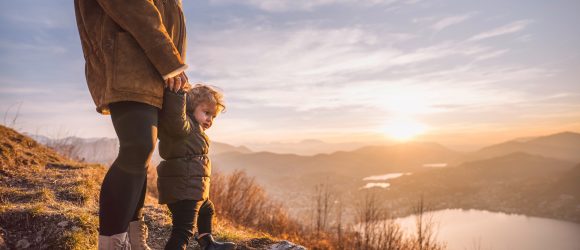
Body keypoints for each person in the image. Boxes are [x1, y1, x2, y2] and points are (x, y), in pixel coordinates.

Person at [74, 0, 190, 248]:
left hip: (152, 67)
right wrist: (170, 61)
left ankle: (134, 240)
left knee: (141, 155)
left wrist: (170, 65)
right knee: (137, 148)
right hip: (128, 59)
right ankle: (110, 243)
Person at [157, 84, 236, 250]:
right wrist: (178, 93)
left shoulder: (196, 130)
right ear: (191, 108)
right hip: (184, 190)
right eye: (206, 113)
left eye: (213, 116)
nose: (210, 120)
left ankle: (207, 243)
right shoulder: (183, 127)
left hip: (191, 189)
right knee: (183, 231)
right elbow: (175, 116)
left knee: (207, 209)